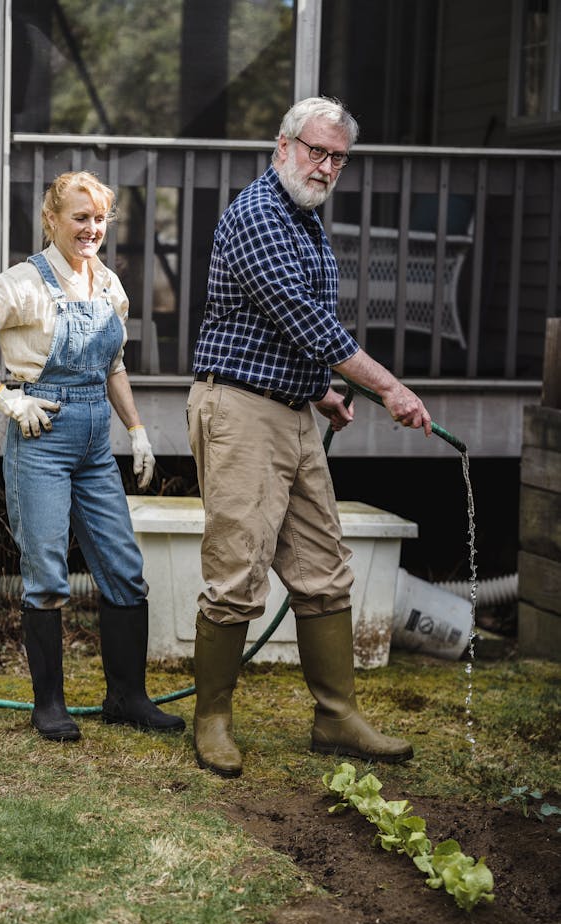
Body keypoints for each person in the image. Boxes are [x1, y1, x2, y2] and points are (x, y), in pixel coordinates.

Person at [187, 96, 433, 778]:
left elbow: (277, 330)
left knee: (323, 569)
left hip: (290, 407)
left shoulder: (303, 220)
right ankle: (211, 721)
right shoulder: (262, 213)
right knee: (237, 571)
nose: (324, 166)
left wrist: (319, 390)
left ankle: (336, 717)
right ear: (282, 146)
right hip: (238, 410)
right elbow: (306, 324)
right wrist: (386, 385)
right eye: (314, 151)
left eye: (336, 157)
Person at [0, 170, 184, 741]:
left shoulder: (109, 286)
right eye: (80, 217)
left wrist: (138, 428)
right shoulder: (25, 283)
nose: (91, 229)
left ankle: (128, 697)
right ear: (52, 219)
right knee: (47, 575)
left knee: (125, 570)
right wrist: (6, 398)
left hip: (97, 444)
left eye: (99, 218)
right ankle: (48, 705)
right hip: (41, 439)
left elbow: (113, 367)